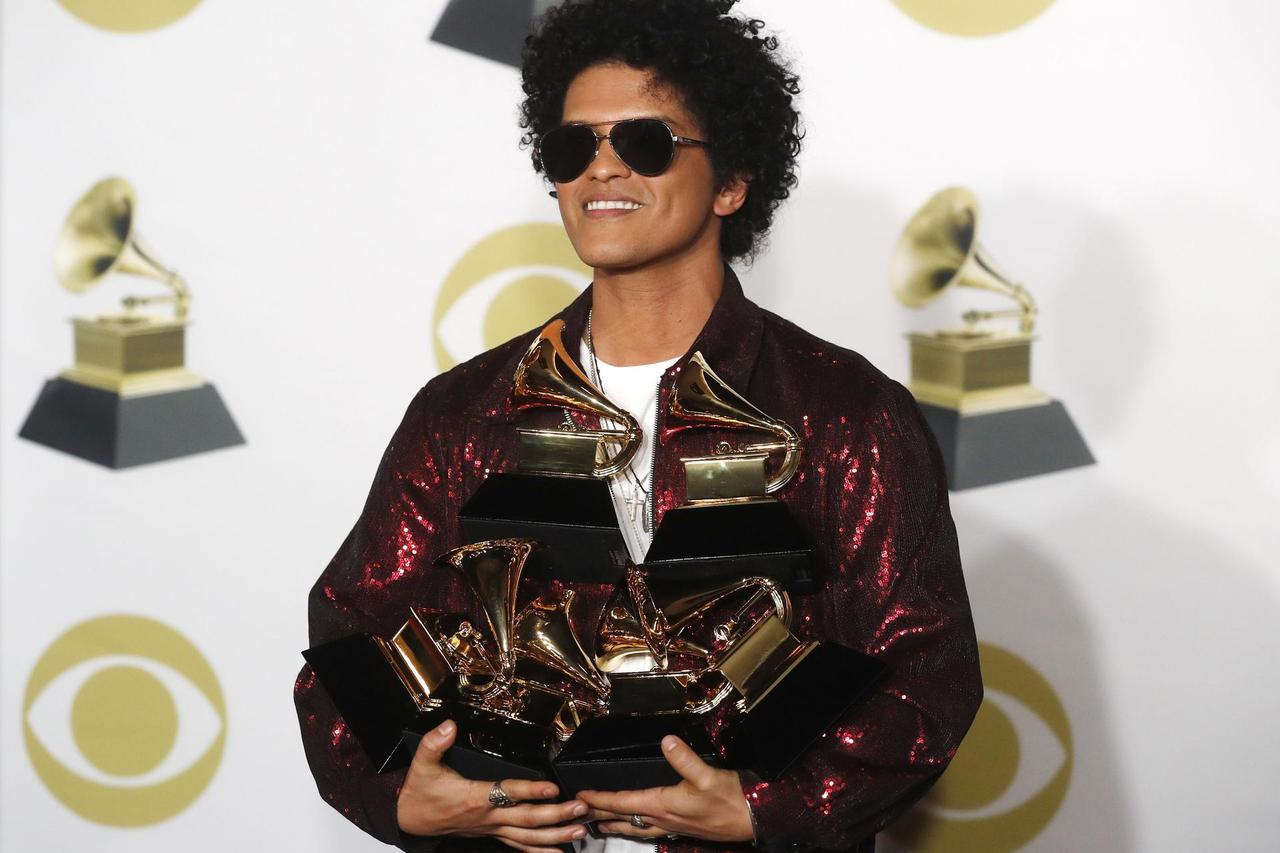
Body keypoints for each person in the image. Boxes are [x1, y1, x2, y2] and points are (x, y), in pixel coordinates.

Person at [293, 1, 983, 851]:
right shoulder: (461, 413)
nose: (602, 168)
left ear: (731, 181)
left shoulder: (848, 412)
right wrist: (402, 793)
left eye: (645, 142)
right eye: (573, 147)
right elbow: (350, 634)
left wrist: (768, 806)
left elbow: (927, 671)